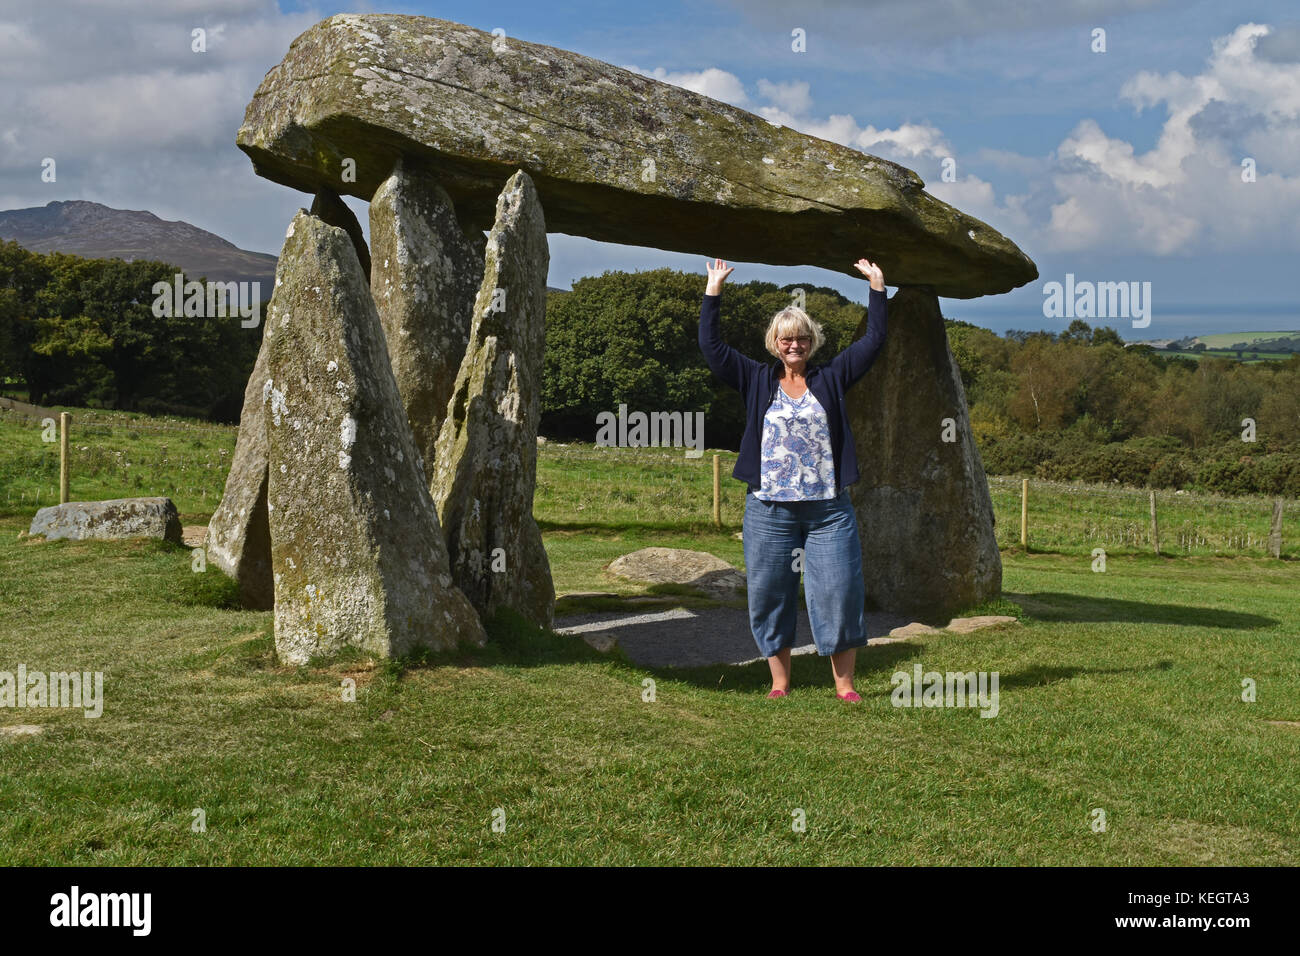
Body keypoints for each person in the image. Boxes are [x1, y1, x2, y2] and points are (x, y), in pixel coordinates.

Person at [698, 257, 888, 701]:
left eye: (801, 337)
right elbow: (713, 348)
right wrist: (714, 291)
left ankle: (845, 687)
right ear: (774, 343)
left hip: (829, 509)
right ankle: (779, 683)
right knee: (769, 592)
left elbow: (875, 341)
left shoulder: (833, 376)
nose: (794, 344)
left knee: (840, 590)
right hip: (768, 508)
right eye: (786, 338)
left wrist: (877, 288)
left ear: (812, 341)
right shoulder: (756, 377)